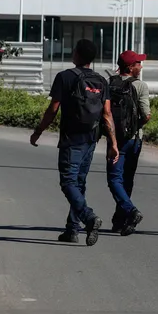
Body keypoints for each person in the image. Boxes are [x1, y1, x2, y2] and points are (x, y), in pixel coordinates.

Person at [30, 39, 119, 247]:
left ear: (77, 54)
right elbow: (107, 114)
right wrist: (113, 143)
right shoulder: (101, 80)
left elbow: (53, 109)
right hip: (91, 139)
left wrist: (38, 131)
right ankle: (72, 229)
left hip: (71, 139)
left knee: (68, 182)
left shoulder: (65, 77)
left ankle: (88, 218)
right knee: (79, 183)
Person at [107, 50, 152, 236]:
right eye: (138, 63)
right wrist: (135, 126)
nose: (141, 66)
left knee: (114, 179)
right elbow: (147, 115)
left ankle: (125, 215)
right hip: (134, 140)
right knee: (126, 180)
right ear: (130, 67)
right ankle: (126, 216)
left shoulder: (109, 84)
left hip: (116, 139)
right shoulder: (140, 86)